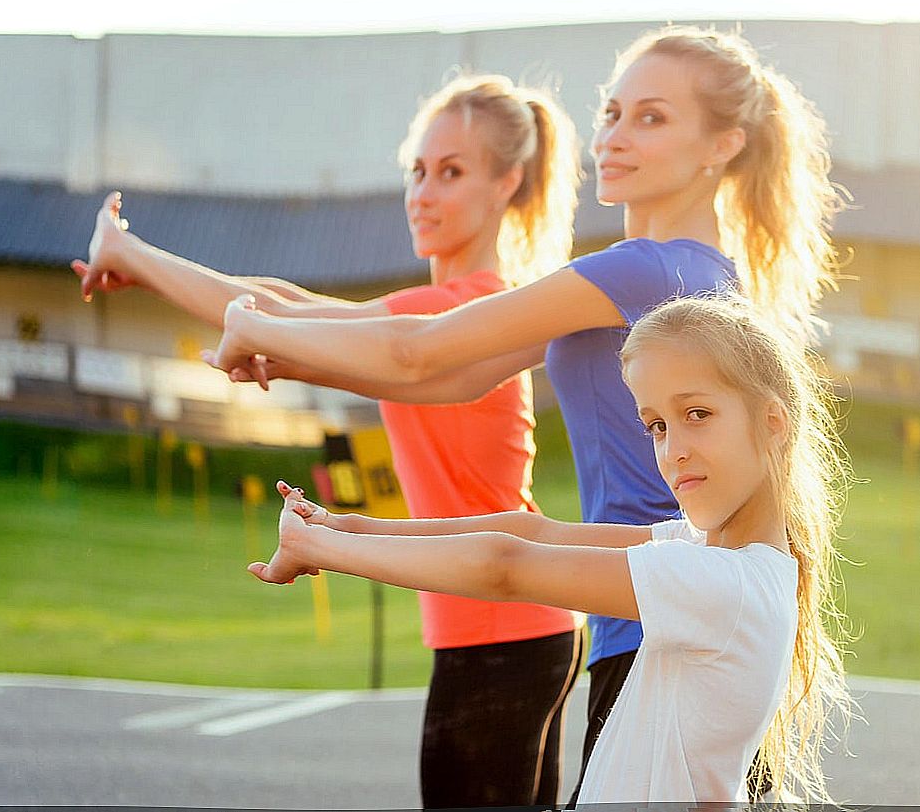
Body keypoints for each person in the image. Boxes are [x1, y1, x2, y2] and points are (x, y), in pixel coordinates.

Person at [201, 25, 847, 800]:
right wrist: (338, 511)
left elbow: (423, 355)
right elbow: (450, 380)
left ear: (723, 145)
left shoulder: (649, 271)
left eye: (651, 117)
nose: (613, 135)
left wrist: (259, 329)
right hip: (637, 614)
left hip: (651, 620)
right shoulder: (690, 277)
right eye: (610, 113)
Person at [74, 74, 585, 808]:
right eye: (416, 170)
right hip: (517, 625)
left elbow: (288, 309)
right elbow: (295, 314)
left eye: (452, 172)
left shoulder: (465, 308)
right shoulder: (450, 317)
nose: (424, 192)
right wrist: (274, 343)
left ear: (509, 182)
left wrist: (133, 254)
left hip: (497, 628)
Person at [253, 294, 855, 804]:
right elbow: (534, 532)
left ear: (774, 423)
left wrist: (321, 552)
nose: (672, 451)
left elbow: (505, 568)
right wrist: (340, 528)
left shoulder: (725, 585)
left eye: (697, 414)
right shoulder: (709, 554)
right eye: (657, 426)